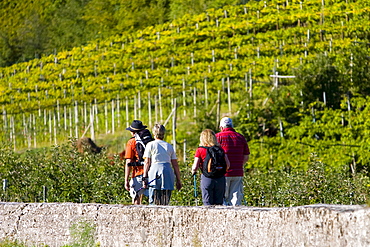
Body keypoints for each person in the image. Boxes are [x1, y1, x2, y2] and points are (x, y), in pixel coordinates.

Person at [142, 124, 182, 205]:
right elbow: (175, 164)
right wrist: (178, 179)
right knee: (165, 200)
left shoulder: (150, 145)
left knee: (153, 199)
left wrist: (145, 177)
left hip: (155, 171)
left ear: (153, 133)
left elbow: (147, 162)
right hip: (167, 171)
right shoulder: (169, 146)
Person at [216, 117, 250, 206]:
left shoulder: (218, 137)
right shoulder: (240, 137)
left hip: (222, 173)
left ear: (221, 127)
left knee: (222, 199)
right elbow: (246, 156)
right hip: (238, 172)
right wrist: (239, 164)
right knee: (236, 199)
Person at [191, 129, 230, 205]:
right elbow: (228, 165)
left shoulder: (200, 150)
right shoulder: (220, 149)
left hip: (207, 178)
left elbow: (195, 166)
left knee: (207, 203)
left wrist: (193, 172)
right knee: (219, 204)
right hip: (220, 179)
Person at [124, 120, 151, 205]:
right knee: (152, 199)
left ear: (133, 132)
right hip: (151, 172)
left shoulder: (131, 142)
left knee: (136, 198)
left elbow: (128, 161)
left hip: (138, 174)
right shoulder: (150, 141)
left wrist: (126, 180)